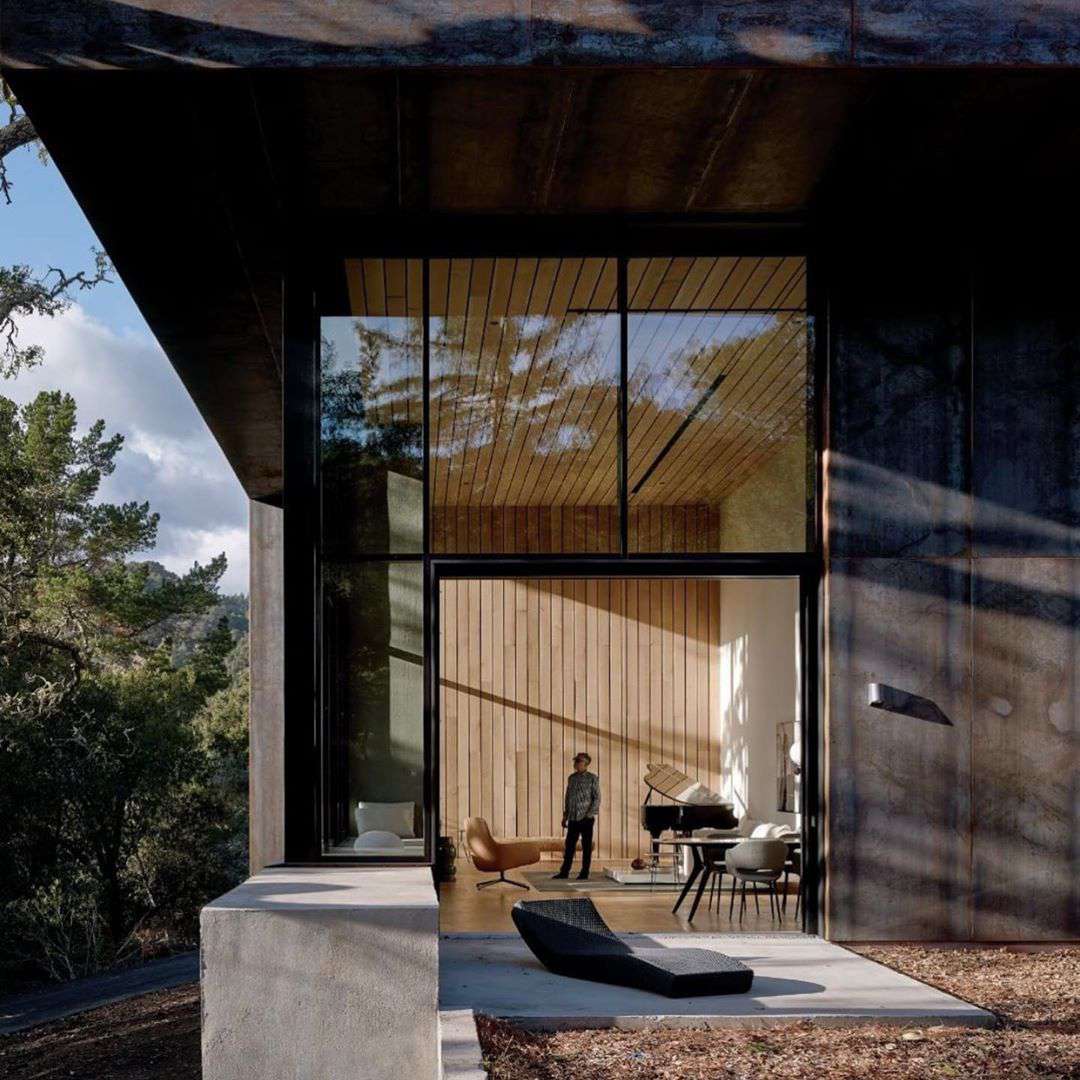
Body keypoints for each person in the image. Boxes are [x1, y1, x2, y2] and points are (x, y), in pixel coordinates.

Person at [553, 752, 600, 881]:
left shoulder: (593, 778)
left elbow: (597, 798)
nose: (575, 764)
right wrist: (565, 816)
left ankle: (584, 873)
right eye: (575, 762)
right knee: (569, 846)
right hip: (573, 818)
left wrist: (589, 814)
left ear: (585, 764)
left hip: (586, 818)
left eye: (578, 762)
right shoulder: (571, 778)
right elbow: (568, 797)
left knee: (586, 846)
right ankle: (564, 872)